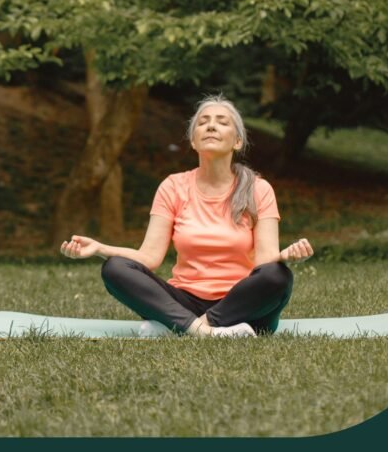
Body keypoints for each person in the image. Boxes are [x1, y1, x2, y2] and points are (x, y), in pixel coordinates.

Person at [60, 94, 313, 337]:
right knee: (115, 268)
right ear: (193, 140)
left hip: (241, 306)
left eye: (222, 122)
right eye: (203, 122)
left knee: (277, 276)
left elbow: (265, 261)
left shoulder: (259, 189)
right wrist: (99, 248)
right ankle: (199, 331)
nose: (211, 126)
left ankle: (181, 328)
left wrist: (285, 256)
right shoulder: (173, 186)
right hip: (184, 303)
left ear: (237, 141)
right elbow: (148, 257)